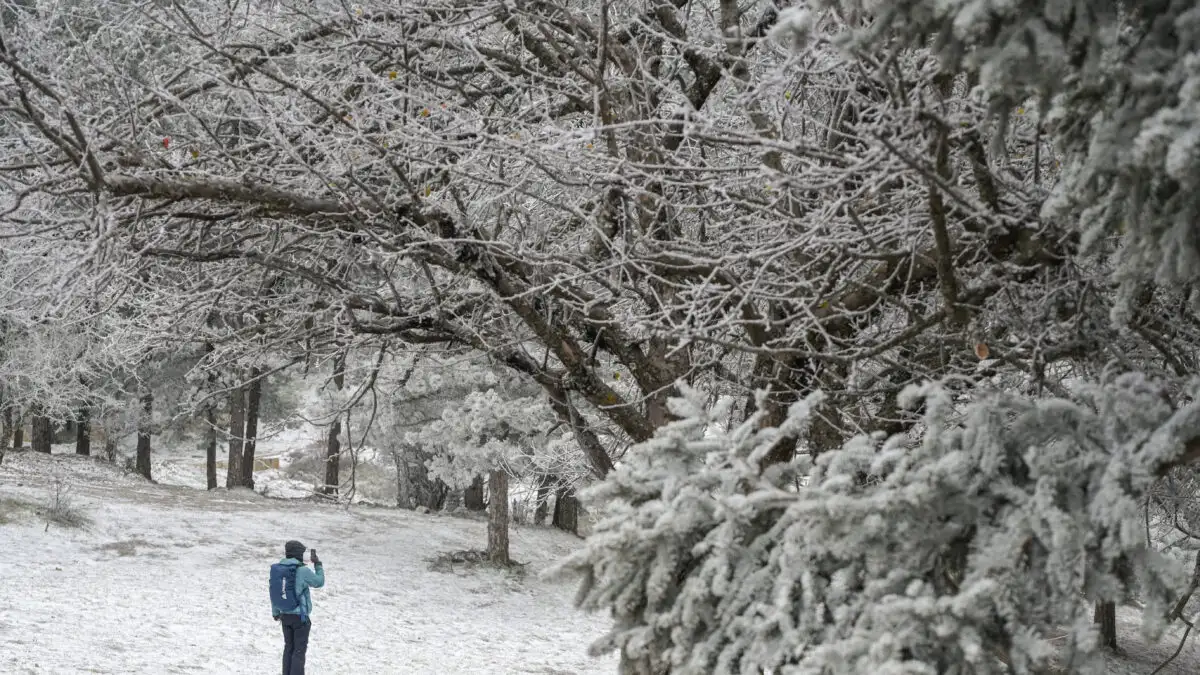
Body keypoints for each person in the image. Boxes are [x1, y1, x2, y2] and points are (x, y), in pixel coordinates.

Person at [270, 540, 325, 675]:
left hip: (285, 616)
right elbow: (319, 582)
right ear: (298, 554)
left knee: (288, 648)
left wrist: (276, 612)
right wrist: (318, 564)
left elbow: (274, 591)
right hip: (300, 617)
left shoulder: (277, 570)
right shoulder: (302, 570)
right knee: (299, 652)